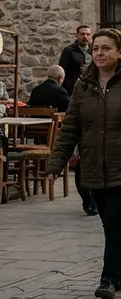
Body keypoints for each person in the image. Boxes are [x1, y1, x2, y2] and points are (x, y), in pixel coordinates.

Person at [47, 29, 121, 299]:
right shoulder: (83, 85)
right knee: (110, 222)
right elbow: (71, 127)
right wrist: (55, 163)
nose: (99, 53)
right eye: (96, 48)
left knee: (116, 221)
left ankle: (108, 278)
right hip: (94, 164)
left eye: (105, 48)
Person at [30, 65, 96, 215]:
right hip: (53, 136)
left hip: (35, 135)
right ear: (60, 79)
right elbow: (71, 112)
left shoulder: (35, 90)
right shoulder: (60, 91)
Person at [58, 25, 92, 95]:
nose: (85, 36)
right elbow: (62, 71)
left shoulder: (95, 50)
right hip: (73, 89)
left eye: (88, 34)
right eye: (82, 34)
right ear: (77, 35)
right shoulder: (69, 51)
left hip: (91, 88)